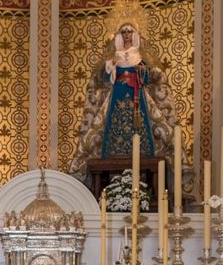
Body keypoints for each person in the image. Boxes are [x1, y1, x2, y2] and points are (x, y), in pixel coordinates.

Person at [69, 22, 179, 184]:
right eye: (124, 32)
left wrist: (142, 72)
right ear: (120, 35)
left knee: (142, 121)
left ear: (134, 35)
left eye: (129, 32)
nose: (127, 35)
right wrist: (111, 67)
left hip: (137, 96)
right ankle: (114, 151)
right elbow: (107, 80)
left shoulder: (138, 55)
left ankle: (142, 150)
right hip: (118, 94)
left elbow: (148, 78)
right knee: (112, 121)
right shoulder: (116, 55)